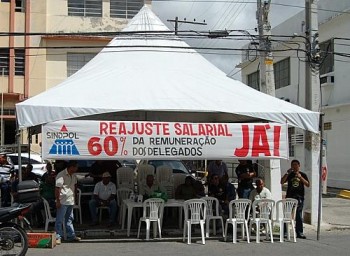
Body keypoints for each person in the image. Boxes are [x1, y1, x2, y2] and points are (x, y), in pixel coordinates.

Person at [280, 159, 310, 239]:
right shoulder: (289, 174)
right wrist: (287, 173)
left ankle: (299, 232)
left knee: (298, 215)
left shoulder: (303, 174)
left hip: (299, 197)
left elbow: (307, 184)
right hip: (290, 196)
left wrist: (300, 177)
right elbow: (282, 182)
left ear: (299, 166)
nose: (294, 166)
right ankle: (285, 232)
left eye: (296, 165)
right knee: (287, 214)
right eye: (292, 165)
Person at [55, 160, 81, 244]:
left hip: (70, 200)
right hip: (63, 200)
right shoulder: (61, 175)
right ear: (72, 167)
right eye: (76, 167)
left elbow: (75, 186)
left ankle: (71, 235)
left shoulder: (73, 176)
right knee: (59, 219)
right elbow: (57, 188)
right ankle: (58, 236)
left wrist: (75, 198)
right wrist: (58, 201)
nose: (77, 169)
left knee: (69, 219)